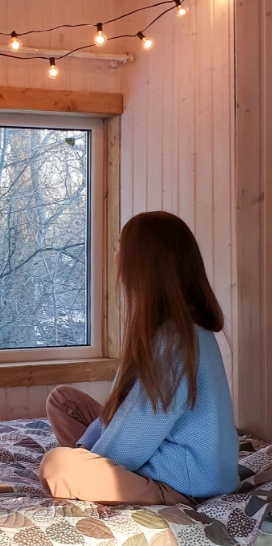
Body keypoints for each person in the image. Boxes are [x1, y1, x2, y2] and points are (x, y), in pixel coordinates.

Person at [39, 211, 239, 506]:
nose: (116, 257)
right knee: (62, 400)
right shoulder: (166, 329)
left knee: (56, 466)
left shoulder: (177, 341)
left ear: (144, 263)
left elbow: (138, 428)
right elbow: (126, 411)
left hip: (185, 484)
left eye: (122, 247)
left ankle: (93, 472)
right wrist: (88, 453)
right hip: (156, 449)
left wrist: (90, 463)